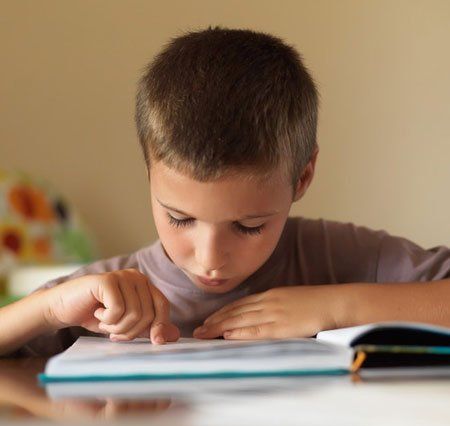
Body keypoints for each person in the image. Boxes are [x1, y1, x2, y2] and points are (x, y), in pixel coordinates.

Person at [1, 27, 449, 357]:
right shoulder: (109, 294)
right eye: (179, 218)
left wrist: (335, 306)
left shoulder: (335, 255)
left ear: (303, 177)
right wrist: (49, 308)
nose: (211, 258)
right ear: (149, 174)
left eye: (248, 226)